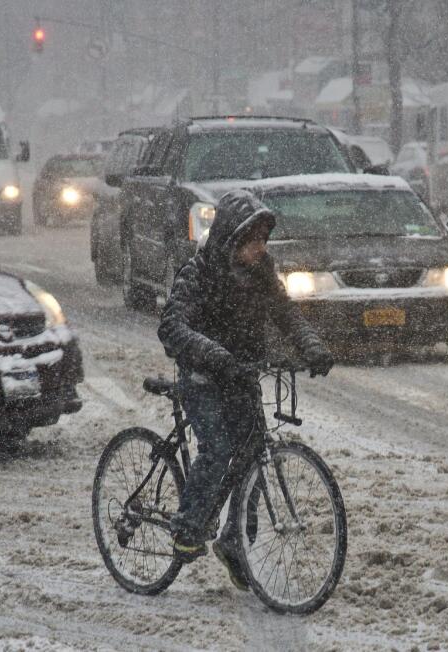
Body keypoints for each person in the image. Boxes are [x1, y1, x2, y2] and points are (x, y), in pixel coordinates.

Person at [157, 189, 334, 589]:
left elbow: (284, 311)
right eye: (252, 241)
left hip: (240, 376)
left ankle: (234, 541)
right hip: (203, 378)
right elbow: (171, 327)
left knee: (253, 453)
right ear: (231, 239)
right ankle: (187, 525)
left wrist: (311, 346)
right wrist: (212, 353)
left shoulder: (260, 273)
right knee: (218, 449)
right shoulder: (198, 272)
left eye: (263, 241)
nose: (259, 249)